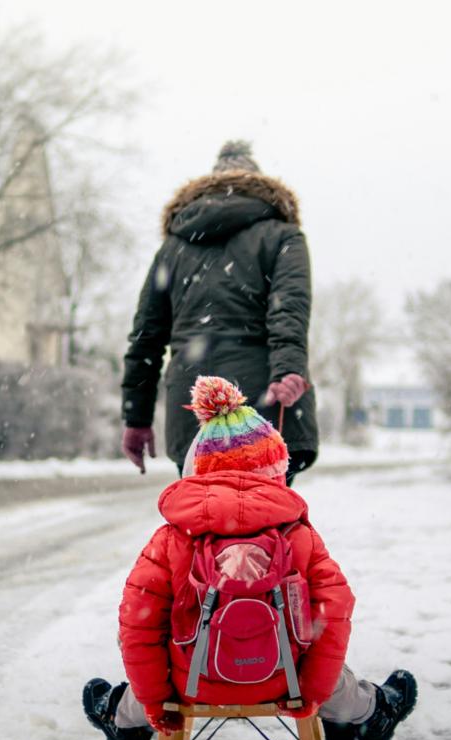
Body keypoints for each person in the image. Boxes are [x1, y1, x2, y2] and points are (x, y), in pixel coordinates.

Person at [84, 377, 415, 740]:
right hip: (283, 682)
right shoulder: (299, 537)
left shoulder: (171, 539)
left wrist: (156, 703)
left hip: (191, 686)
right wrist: (310, 692)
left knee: (150, 647)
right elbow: (334, 610)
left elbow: (137, 625)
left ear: (199, 469)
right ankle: (372, 711)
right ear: (276, 470)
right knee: (327, 665)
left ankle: (123, 721)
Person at [121, 140, 318, 486]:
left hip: (193, 404)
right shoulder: (283, 236)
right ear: (260, 187)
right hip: (262, 403)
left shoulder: (174, 247)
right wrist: (287, 369)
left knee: (201, 521)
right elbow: (289, 310)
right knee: (267, 523)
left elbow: (146, 338)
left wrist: (136, 417)